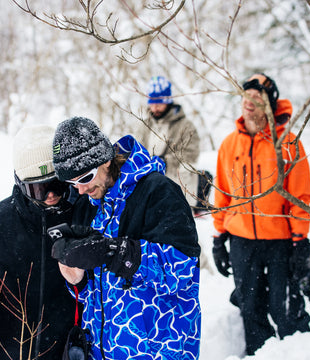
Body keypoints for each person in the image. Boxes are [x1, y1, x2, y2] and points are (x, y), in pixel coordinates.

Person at [50, 116, 201, 359]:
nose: (80, 189)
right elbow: (96, 292)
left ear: (105, 160)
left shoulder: (158, 191)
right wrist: (77, 280)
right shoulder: (88, 206)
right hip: (103, 351)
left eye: (85, 177)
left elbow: (182, 270)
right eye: (71, 182)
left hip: (158, 351)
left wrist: (113, 252)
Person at [211, 74, 310, 355]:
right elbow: (222, 195)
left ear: (271, 105)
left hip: (281, 241)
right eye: (246, 97)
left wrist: (300, 242)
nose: (250, 104)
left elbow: (301, 199)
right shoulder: (229, 145)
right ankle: (258, 353)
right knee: (251, 309)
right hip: (241, 241)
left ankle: (299, 352)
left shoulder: (289, 145)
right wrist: (219, 239)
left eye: (258, 99)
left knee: (286, 309)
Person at [0, 125, 78, 360]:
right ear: (20, 183)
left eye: (56, 184)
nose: (50, 196)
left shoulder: (83, 212)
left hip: (69, 350)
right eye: (39, 189)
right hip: (12, 352)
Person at [136, 75, 201, 209]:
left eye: (159, 104)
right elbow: (137, 149)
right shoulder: (144, 125)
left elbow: (191, 154)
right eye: (152, 104)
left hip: (179, 189)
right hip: (151, 188)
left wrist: (164, 162)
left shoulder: (185, 126)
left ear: (168, 101)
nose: (155, 108)